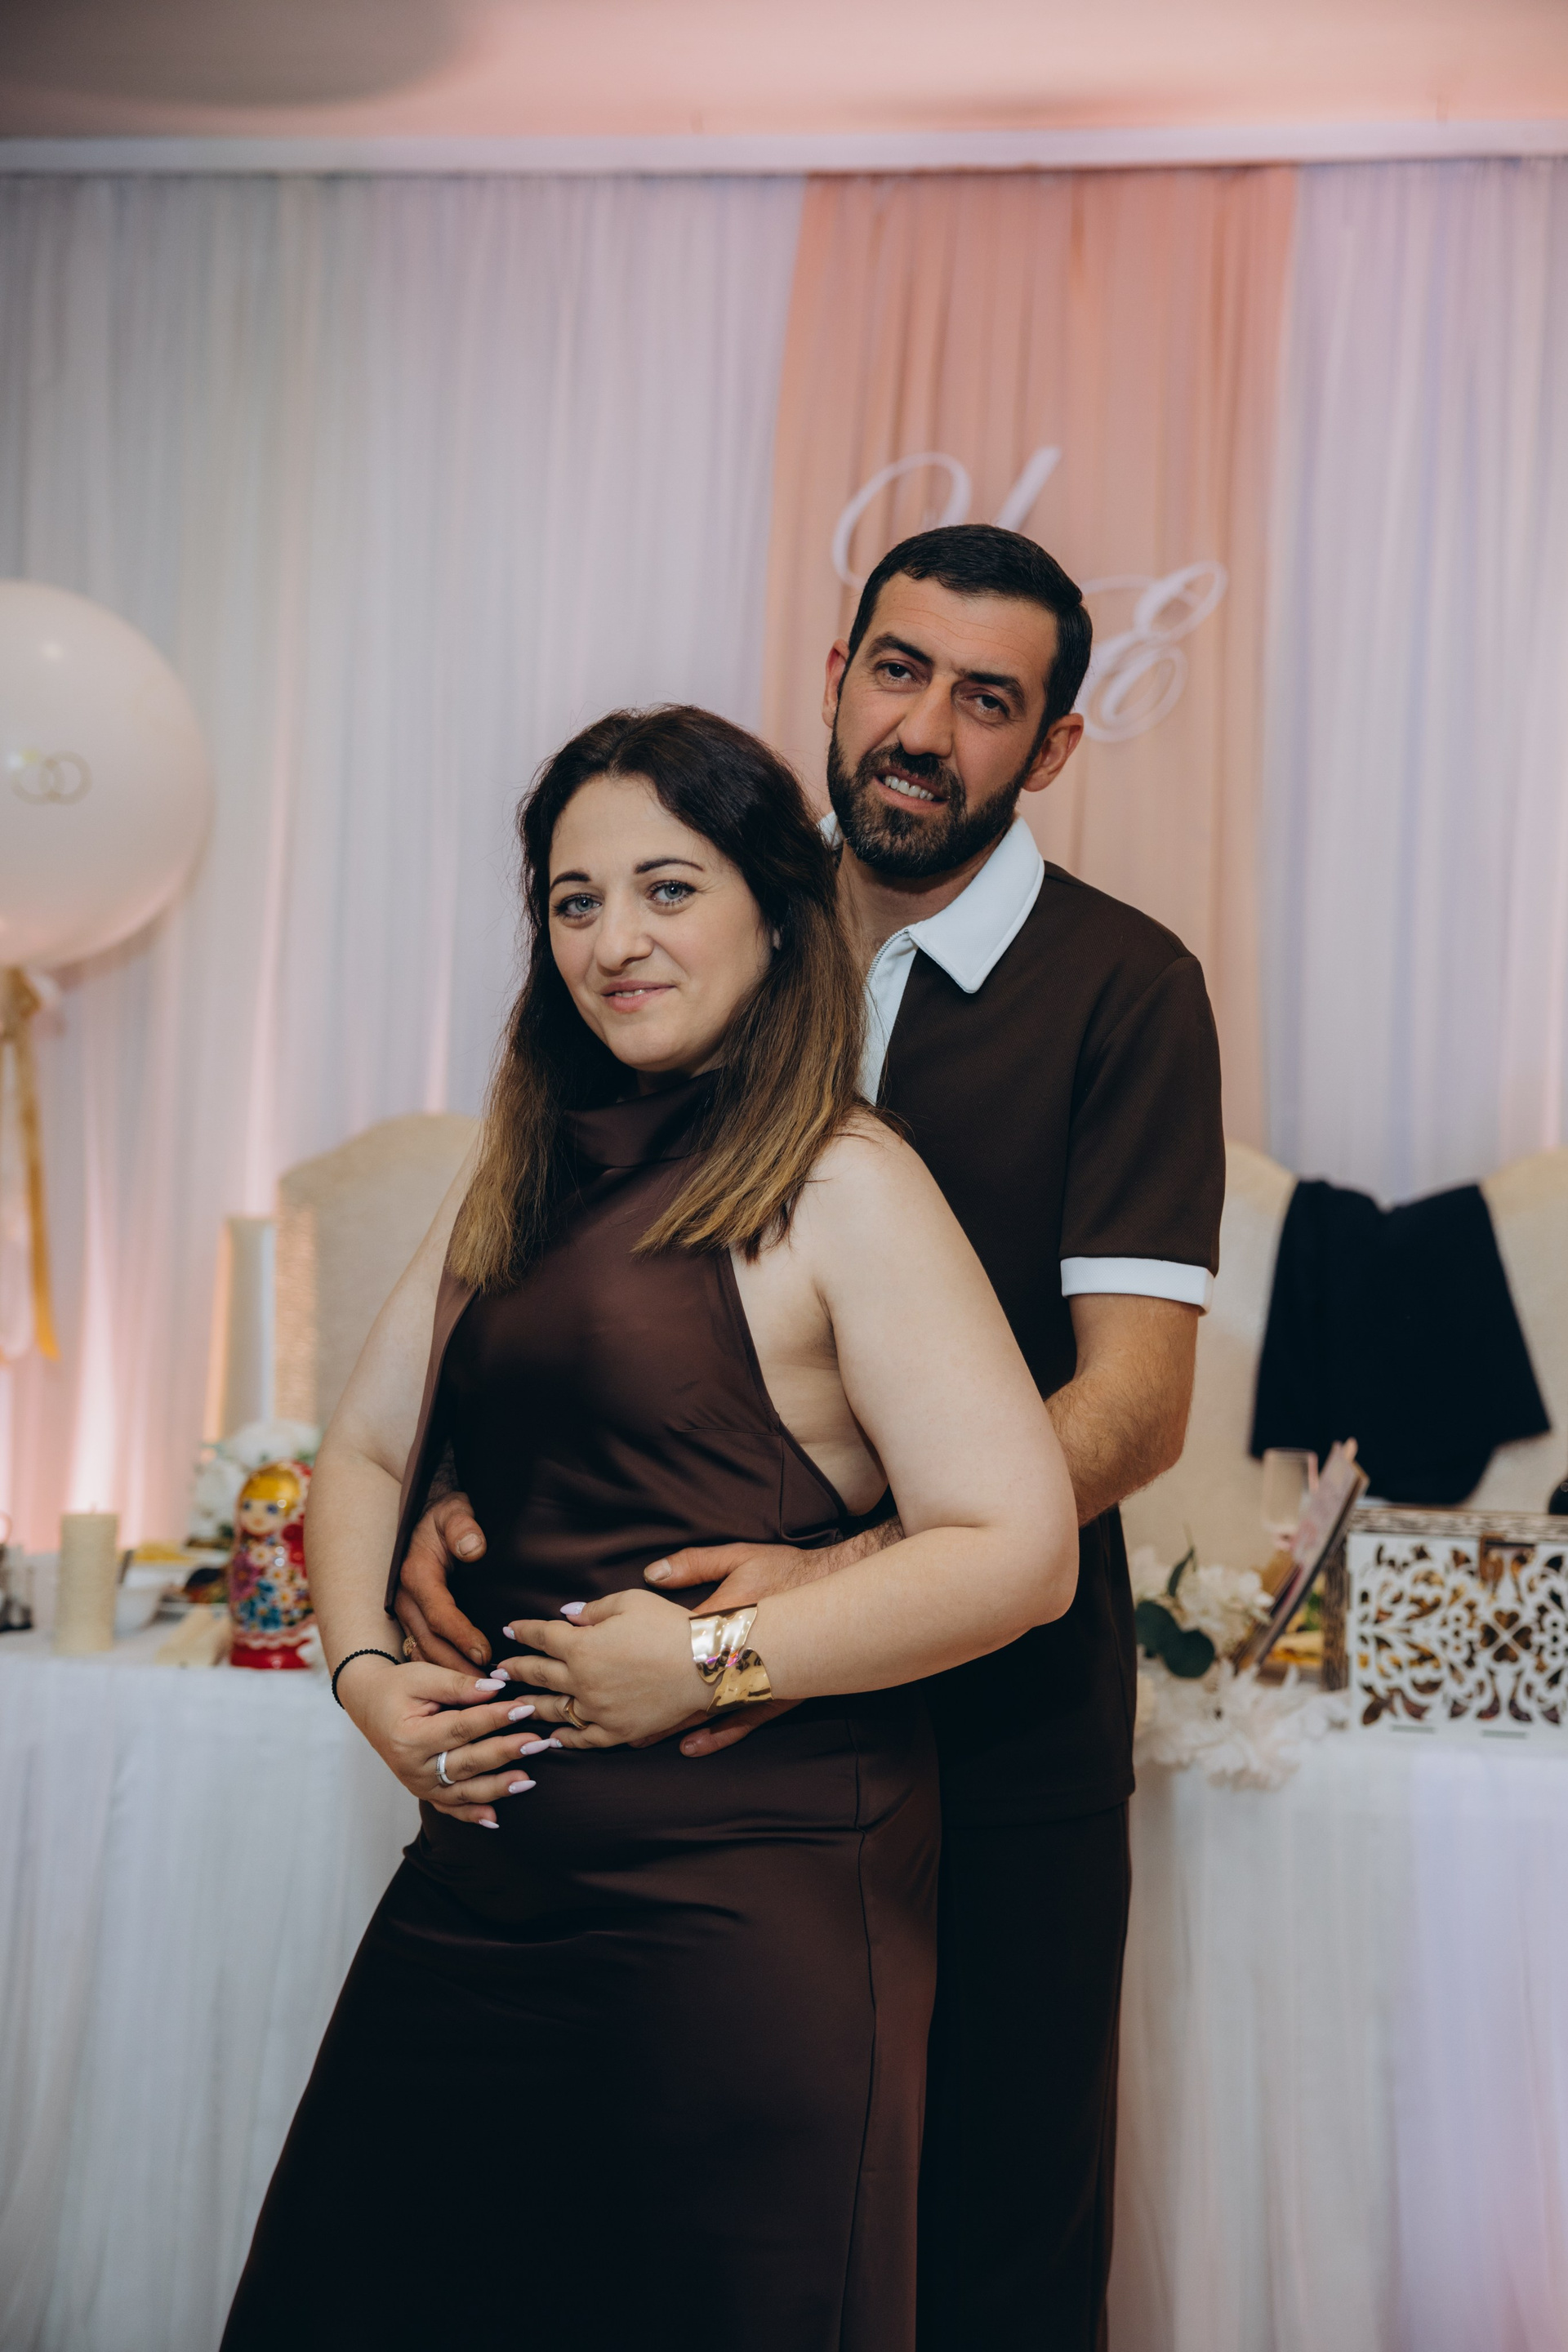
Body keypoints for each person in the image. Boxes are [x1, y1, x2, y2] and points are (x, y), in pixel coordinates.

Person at [399, 527, 1226, 2350]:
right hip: (670, 1788)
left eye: (987, 700)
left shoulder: (1125, 987)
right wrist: (458, 1477)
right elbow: (560, 1270)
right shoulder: (696, 938)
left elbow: (1137, 1404)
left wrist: (838, 1575)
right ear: (837, 676)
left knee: (983, 2246)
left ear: (1054, 746)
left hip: (998, 1729)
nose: (923, 728)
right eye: (898, 671)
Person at [222, 704, 1078, 2352]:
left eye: (667, 889)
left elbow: (1015, 1548)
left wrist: (708, 1660)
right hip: (481, 1883)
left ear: (776, 909)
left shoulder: (845, 1181)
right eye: (575, 900)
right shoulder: (520, 1167)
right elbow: (370, 1447)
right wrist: (364, 1677)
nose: (615, 940)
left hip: (746, 1915)